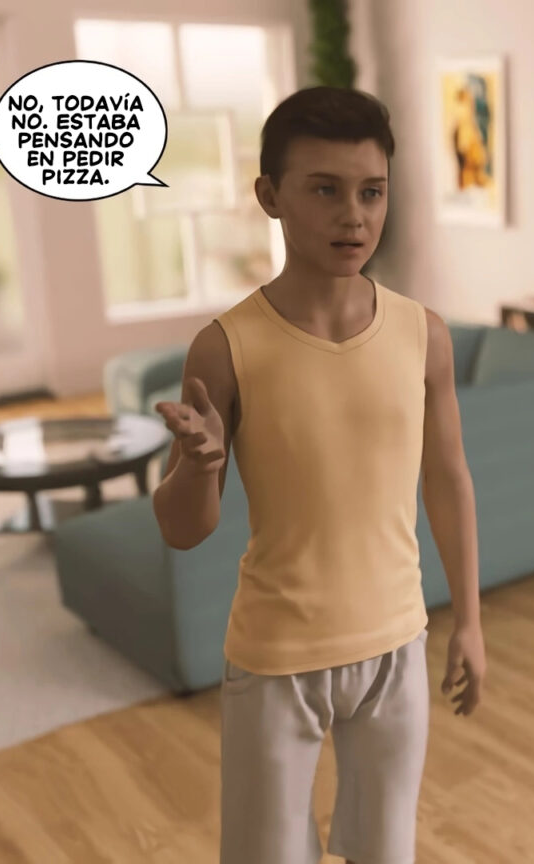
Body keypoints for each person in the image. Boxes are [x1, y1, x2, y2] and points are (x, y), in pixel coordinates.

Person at [149, 86, 487, 864]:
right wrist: (199, 468)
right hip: (276, 657)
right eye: (326, 190)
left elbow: (448, 481)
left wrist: (468, 621)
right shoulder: (224, 346)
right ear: (270, 196)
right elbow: (181, 529)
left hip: (397, 646)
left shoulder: (423, 335)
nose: (354, 217)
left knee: (386, 854)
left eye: (372, 192)